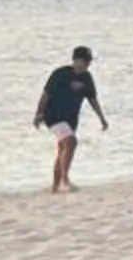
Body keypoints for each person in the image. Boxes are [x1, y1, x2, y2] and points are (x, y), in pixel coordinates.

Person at [35, 45, 106, 193]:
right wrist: (39, 113)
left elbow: (92, 99)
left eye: (88, 62)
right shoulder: (60, 74)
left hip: (70, 120)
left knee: (63, 148)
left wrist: (101, 118)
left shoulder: (87, 78)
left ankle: (55, 187)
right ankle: (65, 180)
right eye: (84, 61)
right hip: (53, 116)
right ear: (75, 60)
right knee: (71, 142)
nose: (87, 65)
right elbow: (45, 95)